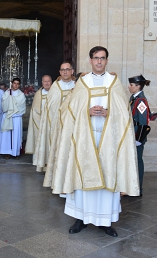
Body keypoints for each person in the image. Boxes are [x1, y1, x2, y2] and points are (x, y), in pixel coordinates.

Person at [52, 46, 139, 237]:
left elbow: (124, 112)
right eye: (96, 58)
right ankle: (81, 218)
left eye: (102, 58)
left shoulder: (114, 82)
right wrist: (86, 111)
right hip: (86, 136)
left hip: (108, 139)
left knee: (107, 176)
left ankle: (104, 221)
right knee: (84, 175)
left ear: (107, 60)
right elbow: (69, 110)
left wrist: (110, 113)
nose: (99, 62)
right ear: (90, 60)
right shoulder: (83, 82)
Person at [31, 63, 75, 171]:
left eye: (67, 69)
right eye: (63, 70)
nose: (65, 72)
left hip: (74, 122)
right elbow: (50, 108)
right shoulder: (55, 86)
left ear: (72, 71)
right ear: (59, 72)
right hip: (56, 123)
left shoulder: (77, 85)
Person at [128, 74, 151, 197]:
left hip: (137, 136)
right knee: (132, 162)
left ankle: (138, 189)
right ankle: (132, 187)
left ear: (138, 86)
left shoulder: (141, 101)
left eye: (131, 85)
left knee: (137, 162)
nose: (129, 87)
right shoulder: (134, 98)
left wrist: (139, 139)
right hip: (132, 135)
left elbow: (143, 122)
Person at [25, 75, 52, 160]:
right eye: (45, 81)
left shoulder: (56, 92)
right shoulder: (38, 94)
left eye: (48, 81)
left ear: (51, 82)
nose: (47, 83)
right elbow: (35, 110)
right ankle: (39, 161)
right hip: (40, 121)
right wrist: (40, 121)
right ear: (42, 83)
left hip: (52, 121)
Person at [0, 78, 26, 159]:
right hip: (7, 116)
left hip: (16, 117)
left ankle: (15, 152)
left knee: (16, 135)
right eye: (14, 83)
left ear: (20, 85)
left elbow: (21, 107)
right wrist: (9, 100)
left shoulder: (21, 95)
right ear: (12, 84)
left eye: (18, 83)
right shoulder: (7, 93)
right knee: (7, 135)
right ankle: (7, 152)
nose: (16, 85)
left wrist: (13, 107)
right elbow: (3, 104)